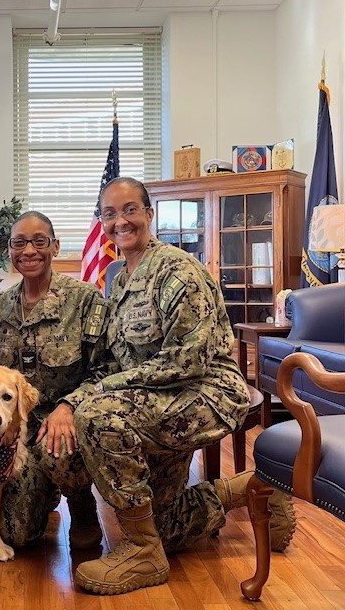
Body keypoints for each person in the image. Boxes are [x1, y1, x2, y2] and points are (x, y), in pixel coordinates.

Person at [60, 177, 296, 595]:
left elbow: (187, 359)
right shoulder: (119, 277)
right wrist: (72, 398)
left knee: (98, 417)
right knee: (165, 524)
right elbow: (117, 360)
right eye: (110, 214)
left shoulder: (177, 270)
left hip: (205, 393)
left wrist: (103, 392)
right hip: (156, 398)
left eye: (130, 209)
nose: (121, 221)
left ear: (149, 215)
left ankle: (141, 552)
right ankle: (255, 488)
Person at [0, 211, 111, 549]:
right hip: (20, 430)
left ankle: (80, 504)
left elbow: (106, 371)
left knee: (59, 452)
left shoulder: (85, 301)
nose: (29, 251)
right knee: (15, 536)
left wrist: (70, 406)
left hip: (67, 424)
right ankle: (43, 490)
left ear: (55, 247)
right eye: (19, 243)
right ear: (9, 251)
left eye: (39, 241)